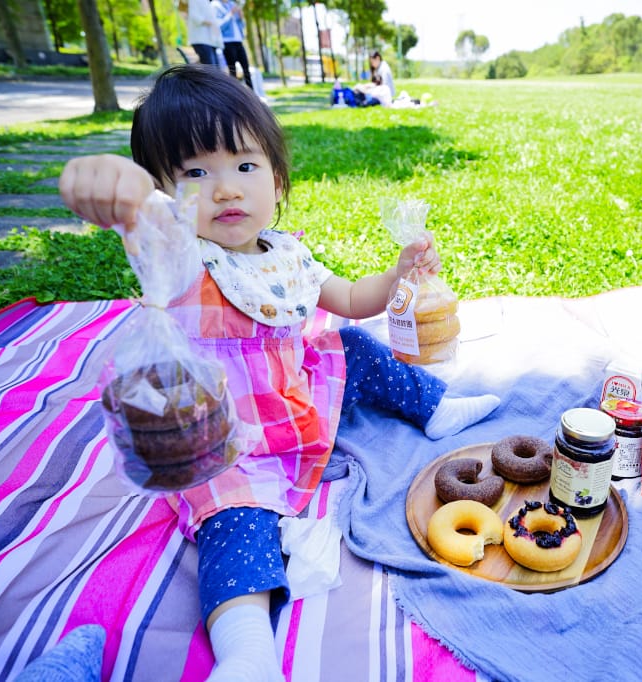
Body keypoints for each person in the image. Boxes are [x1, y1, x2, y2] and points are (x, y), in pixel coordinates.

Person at [59, 65, 499, 682]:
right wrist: (123, 189)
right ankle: (247, 652)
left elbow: (351, 298)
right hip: (232, 442)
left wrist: (399, 274)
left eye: (245, 165)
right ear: (166, 189)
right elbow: (147, 219)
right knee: (234, 524)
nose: (225, 190)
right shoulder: (186, 261)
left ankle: (434, 406)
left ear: (276, 177)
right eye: (194, 173)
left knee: (350, 344)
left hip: (297, 399)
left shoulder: (286, 253)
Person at [216, 0, 252, 89]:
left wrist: (241, 18)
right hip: (227, 41)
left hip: (238, 40)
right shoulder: (215, 5)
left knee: (246, 68)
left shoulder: (232, 4)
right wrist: (230, 14)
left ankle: (251, 91)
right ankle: (235, 91)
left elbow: (241, 25)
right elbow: (219, 26)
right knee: (232, 70)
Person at [186, 0, 222, 66]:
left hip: (210, 41)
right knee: (210, 67)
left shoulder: (207, 2)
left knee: (215, 67)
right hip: (200, 40)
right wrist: (210, 23)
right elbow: (195, 16)